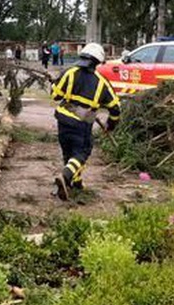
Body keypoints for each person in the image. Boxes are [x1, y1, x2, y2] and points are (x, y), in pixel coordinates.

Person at [49, 43, 121, 201]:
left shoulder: (69, 73)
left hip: (63, 121)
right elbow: (115, 108)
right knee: (82, 152)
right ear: (97, 62)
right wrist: (111, 124)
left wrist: (53, 84)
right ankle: (66, 176)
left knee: (69, 153)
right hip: (81, 124)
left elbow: (55, 95)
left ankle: (76, 183)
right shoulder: (102, 82)